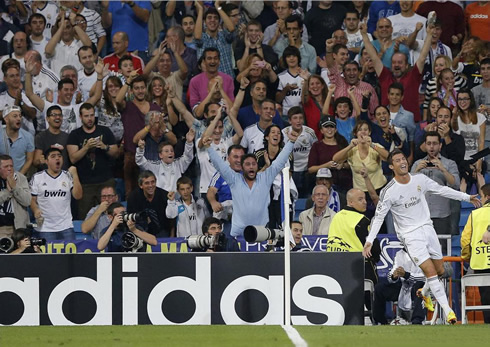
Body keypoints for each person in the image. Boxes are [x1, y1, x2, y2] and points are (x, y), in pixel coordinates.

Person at [363, 149, 481, 324]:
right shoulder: (389, 191)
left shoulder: (420, 179)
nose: (402, 162)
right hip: (410, 236)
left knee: (440, 271)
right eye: (397, 160)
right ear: (391, 166)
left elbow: (442, 190)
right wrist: (369, 241)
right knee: (431, 272)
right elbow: (379, 217)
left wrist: (467, 197)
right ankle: (449, 312)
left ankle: (424, 292)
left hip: (428, 229)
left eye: (403, 158)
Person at [206, 128, 298, 237]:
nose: (251, 167)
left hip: (261, 232)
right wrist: (209, 148)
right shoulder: (234, 179)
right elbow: (219, 164)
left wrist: (291, 142)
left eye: (254, 164)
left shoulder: (265, 178)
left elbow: (279, 162)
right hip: (237, 232)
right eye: (247, 164)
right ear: (242, 167)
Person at [361, 22, 434, 123]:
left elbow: (422, 57)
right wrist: (364, 34)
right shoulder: (385, 76)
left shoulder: (413, 76)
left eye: (400, 63)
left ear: (407, 65)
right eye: (394, 62)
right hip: (386, 124)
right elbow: (374, 57)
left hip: (412, 124)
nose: (396, 65)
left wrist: (429, 34)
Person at [67, 103, 118, 219]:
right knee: (85, 216)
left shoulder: (105, 131)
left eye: (91, 115)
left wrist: (104, 147)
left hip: (105, 181)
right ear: (80, 117)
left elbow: (116, 153)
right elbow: (73, 158)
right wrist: (86, 147)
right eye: (86, 116)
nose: (90, 119)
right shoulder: (75, 135)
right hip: (85, 183)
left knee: (110, 214)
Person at [411, 131, 460, 253]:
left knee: (441, 251)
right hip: (421, 216)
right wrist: (416, 171)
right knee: (422, 251)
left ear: (440, 145)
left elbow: (456, 184)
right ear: (425, 145)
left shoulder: (449, 163)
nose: (431, 147)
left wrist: (443, 169)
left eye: (434, 143)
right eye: (429, 143)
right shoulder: (417, 164)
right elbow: (408, 188)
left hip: (441, 215)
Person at [328, 188, 380, 282]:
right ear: (351, 202)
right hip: (359, 268)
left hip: (335, 266)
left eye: (365, 199)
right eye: (360, 199)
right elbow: (374, 247)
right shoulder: (362, 220)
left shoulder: (336, 216)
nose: (364, 202)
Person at [30, 148, 83, 241]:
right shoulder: (38, 177)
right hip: (45, 228)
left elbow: (78, 196)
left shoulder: (68, 176)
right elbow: (32, 199)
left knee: (69, 255)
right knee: (48, 256)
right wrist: (35, 210)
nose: (57, 158)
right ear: (46, 161)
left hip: (66, 226)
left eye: (59, 156)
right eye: (53, 156)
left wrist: (75, 175)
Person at [373, 248, 427, 325]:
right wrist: (393, 276)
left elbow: (425, 277)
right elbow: (392, 273)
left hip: (423, 289)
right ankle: (381, 321)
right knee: (380, 288)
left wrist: (406, 275)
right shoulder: (399, 254)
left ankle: (417, 321)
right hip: (403, 287)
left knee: (419, 286)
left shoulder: (424, 253)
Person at [461, 183, 490, 323]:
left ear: (487, 197)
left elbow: (465, 240)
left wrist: (467, 257)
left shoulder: (475, 215)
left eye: (482, 196)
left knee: (486, 299)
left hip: (480, 262)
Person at [136, 129, 194, 193]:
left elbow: (188, 157)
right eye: (166, 151)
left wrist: (189, 142)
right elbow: (141, 162)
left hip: (176, 200)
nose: (170, 153)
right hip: (160, 199)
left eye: (172, 151)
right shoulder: (155, 166)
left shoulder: (178, 164)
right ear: (160, 155)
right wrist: (140, 149)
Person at [207, 144, 245, 235]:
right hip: (225, 218)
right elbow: (211, 191)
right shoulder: (221, 174)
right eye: (235, 157)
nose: (239, 160)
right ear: (228, 158)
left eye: (242, 157)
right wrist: (213, 202)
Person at [282, 106, 317, 198]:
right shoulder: (283, 134)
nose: (298, 121)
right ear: (289, 121)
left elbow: (315, 149)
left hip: (307, 171)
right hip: (291, 171)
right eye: (295, 118)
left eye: (300, 118)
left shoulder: (309, 132)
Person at [126, 170, 174, 238]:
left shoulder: (164, 195)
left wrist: (172, 237)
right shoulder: (133, 198)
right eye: (147, 183)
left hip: (162, 232)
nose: (150, 185)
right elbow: (131, 219)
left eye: (152, 182)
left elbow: (172, 219)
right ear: (141, 185)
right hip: (142, 232)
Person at [194, 2, 236, 78]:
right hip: (209, 84)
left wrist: (217, 6)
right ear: (204, 22)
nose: (212, 20)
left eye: (216, 18)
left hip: (228, 82)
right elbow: (197, 36)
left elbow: (232, 29)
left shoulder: (224, 36)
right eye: (209, 18)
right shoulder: (203, 38)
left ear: (219, 21)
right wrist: (200, 11)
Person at [45, 11, 92, 76]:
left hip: (78, 82)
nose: (65, 31)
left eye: (68, 27)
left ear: (73, 28)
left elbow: (89, 45)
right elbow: (48, 51)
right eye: (62, 28)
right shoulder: (55, 46)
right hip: (58, 84)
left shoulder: (80, 44)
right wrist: (61, 26)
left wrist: (74, 24)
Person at [0, 59, 37, 135]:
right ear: (5, 79)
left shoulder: (27, 95)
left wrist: (21, 102)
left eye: (17, 75)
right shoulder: (1, 98)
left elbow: (33, 114)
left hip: (27, 137)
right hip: (7, 139)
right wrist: (16, 103)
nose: (15, 78)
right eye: (12, 76)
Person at [0, 155, 30, 237]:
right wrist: (7, 191)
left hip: (18, 227)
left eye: (11, 166)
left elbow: (27, 201)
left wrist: (15, 187)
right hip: (1, 228)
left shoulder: (21, 178)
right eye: (6, 166)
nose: (9, 169)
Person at [32, 105, 69, 171]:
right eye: (54, 115)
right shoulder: (41, 137)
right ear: (47, 118)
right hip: (46, 176)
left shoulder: (67, 137)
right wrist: (40, 161)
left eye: (60, 115)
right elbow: (35, 161)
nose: (57, 117)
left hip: (63, 176)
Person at [0, 105, 34, 175]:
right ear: (6, 119)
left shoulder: (28, 137)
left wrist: (19, 176)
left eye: (20, 116)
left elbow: (29, 159)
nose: (19, 119)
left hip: (20, 175)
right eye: (15, 116)